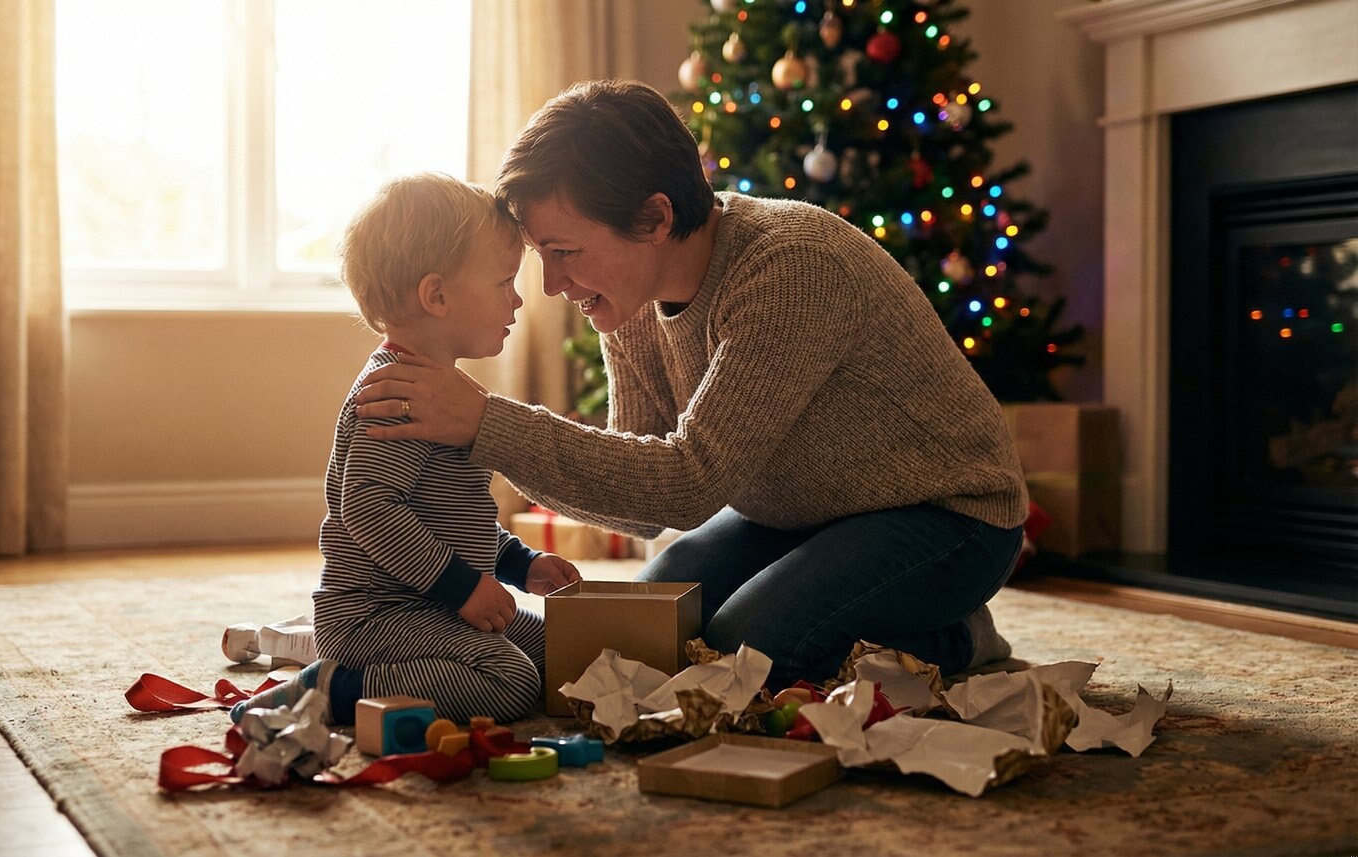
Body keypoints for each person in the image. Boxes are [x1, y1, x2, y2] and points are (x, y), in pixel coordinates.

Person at [353, 80, 1028, 689]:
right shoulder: (624, 296)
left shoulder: (790, 268)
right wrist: (487, 433)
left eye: (563, 252)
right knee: (654, 622)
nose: (553, 286)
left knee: (746, 655)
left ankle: (957, 636)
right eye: (540, 257)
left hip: (947, 517)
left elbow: (689, 481)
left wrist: (485, 423)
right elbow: (644, 500)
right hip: (800, 513)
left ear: (653, 219)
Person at [233, 173, 581, 726]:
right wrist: (465, 587)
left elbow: (449, 516)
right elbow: (369, 510)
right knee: (510, 682)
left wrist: (520, 562)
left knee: (562, 655)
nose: (518, 299)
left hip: (432, 603)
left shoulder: (443, 392)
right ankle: (332, 686)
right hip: (377, 615)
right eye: (503, 282)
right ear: (437, 296)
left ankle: (358, 676)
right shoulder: (395, 394)